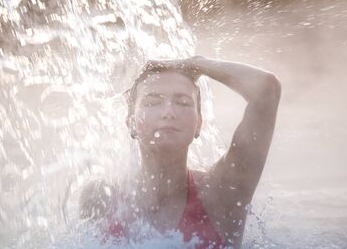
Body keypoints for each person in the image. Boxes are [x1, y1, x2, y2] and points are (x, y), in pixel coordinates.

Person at [78, 55, 281, 248]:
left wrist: (196, 63)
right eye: (152, 102)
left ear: (199, 124)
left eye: (183, 102)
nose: (168, 112)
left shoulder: (220, 194)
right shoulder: (101, 195)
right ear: (131, 123)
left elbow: (266, 89)